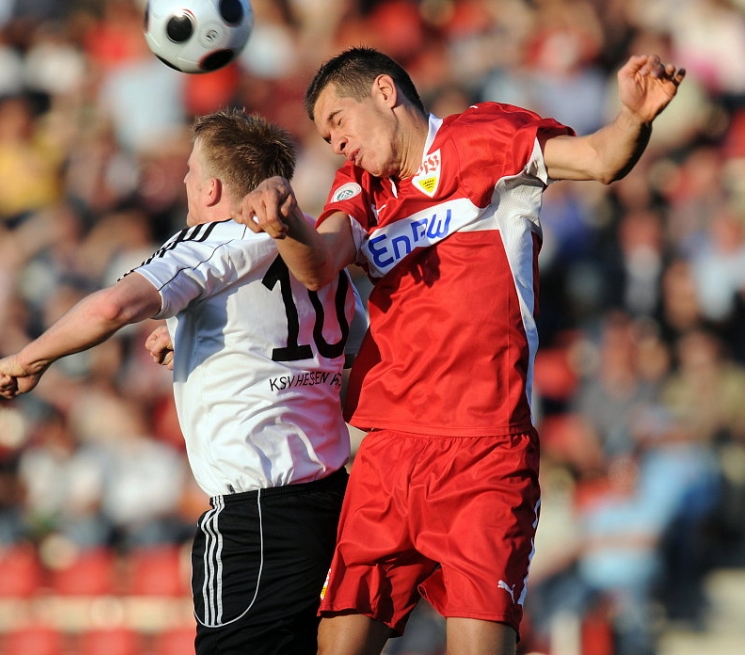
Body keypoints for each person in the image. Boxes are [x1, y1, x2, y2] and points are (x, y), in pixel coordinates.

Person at [233, 47, 685, 655]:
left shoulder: (488, 138)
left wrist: (634, 118)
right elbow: (318, 265)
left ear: (386, 93)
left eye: (339, 120)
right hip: (390, 448)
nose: (335, 140)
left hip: (485, 449)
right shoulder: (359, 189)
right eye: (324, 134)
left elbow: (602, 160)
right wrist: (286, 224)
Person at [0, 108, 366, 655]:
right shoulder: (318, 257)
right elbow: (345, 350)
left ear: (212, 187)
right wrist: (200, 337)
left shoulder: (211, 240)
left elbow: (114, 305)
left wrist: (28, 358)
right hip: (331, 507)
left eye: (191, 170)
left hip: (253, 518)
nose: (186, 180)